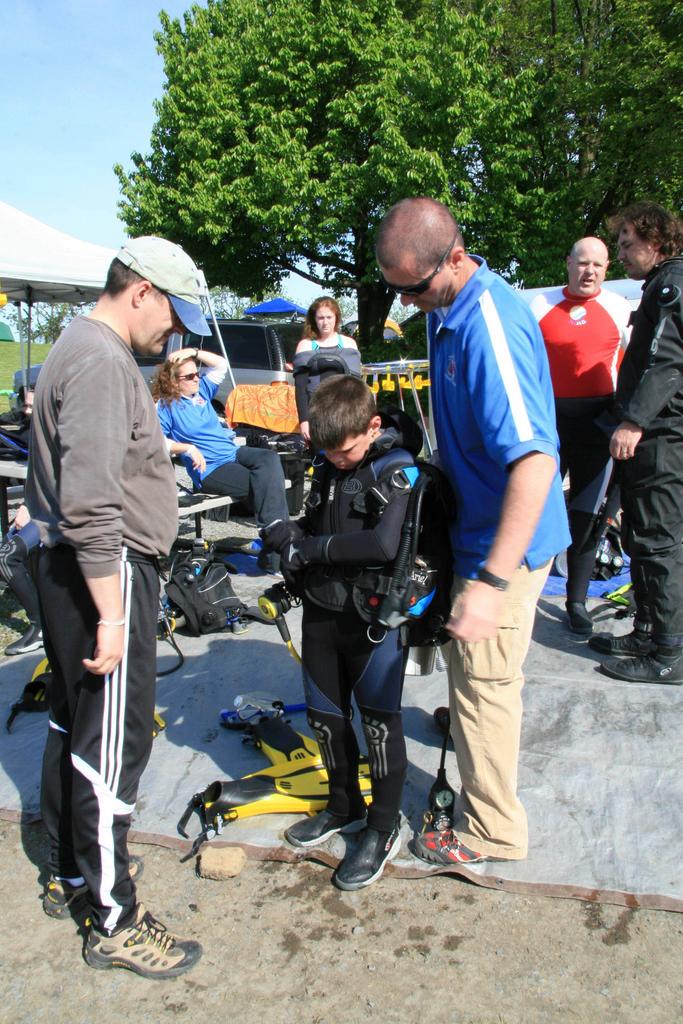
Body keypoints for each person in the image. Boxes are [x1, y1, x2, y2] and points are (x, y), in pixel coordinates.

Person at [25, 236, 206, 979]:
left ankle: (72, 873)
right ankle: (113, 916)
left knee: (77, 720)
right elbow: (92, 502)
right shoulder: (101, 360)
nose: (177, 335)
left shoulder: (81, 346)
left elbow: (99, 466)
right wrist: (111, 613)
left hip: (76, 569)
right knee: (112, 747)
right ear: (142, 293)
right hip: (107, 573)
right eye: (173, 316)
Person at [375, 197, 570, 866]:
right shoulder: (442, 306)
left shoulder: (487, 322)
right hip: (474, 525)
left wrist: (490, 582)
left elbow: (536, 460)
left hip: (506, 544)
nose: (407, 303)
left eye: (415, 288)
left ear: (455, 258)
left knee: (486, 681)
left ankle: (491, 830)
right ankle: (463, 720)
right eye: (394, 290)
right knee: (468, 665)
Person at [261, 375, 423, 889]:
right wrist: (288, 535)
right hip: (322, 611)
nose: (336, 459)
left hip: (374, 621)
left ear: (373, 426)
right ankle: (343, 804)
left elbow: (381, 543)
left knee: (378, 726)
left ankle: (382, 825)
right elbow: (317, 521)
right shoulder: (330, 464)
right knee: (325, 720)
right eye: (327, 452)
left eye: (346, 449)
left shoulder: (396, 468)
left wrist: (309, 550)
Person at [590, 202, 683, 684]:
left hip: (661, 436)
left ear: (656, 242)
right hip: (655, 433)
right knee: (642, 537)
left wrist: (634, 421)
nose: (622, 252)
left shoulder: (671, 286)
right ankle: (647, 629)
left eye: (628, 243)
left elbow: (664, 363)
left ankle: (668, 651)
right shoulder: (661, 286)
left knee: (657, 540)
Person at [529, 237, 632, 636]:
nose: (589, 271)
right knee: (535, 510)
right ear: (568, 263)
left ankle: (576, 600)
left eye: (598, 265)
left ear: (607, 269)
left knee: (586, 517)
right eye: (582, 263)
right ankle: (522, 595)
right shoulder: (539, 305)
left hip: (597, 424)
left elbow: (635, 364)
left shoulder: (618, 308)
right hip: (549, 424)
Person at [152, 347, 289, 571]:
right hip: (211, 469)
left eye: (196, 373)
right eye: (190, 376)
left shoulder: (202, 392)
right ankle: (279, 546)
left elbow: (221, 365)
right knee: (266, 483)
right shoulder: (166, 407)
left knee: (269, 458)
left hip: (232, 453)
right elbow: (157, 441)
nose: (197, 378)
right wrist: (187, 448)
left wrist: (193, 351)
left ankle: (274, 539)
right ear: (174, 382)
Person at [292, 296, 361, 444]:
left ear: (336, 318)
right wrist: (304, 421)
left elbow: (357, 385)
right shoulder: (305, 346)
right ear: (314, 319)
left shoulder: (349, 344)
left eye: (329, 317)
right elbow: (300, 388)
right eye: (321, 317)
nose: (325, 322)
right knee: (321, 460)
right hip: (316, 413)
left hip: (345, 413)